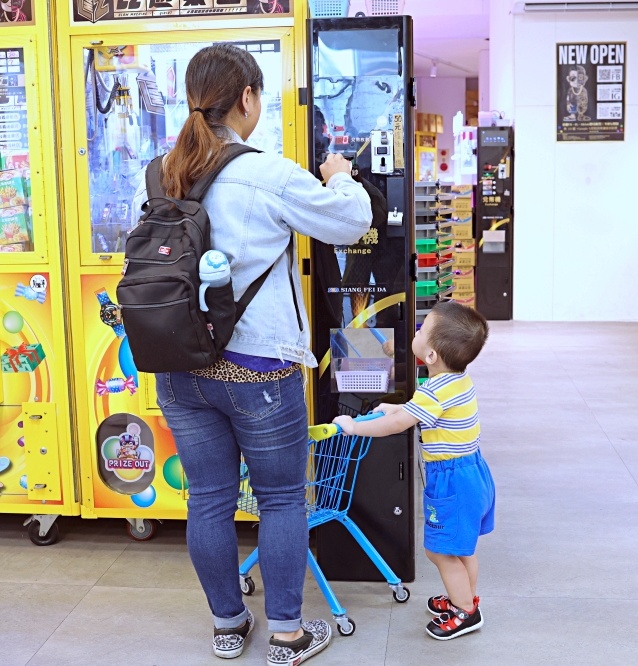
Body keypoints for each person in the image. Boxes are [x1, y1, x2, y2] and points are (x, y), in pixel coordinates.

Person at [152, 45, 372, 664]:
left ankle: (227, 625)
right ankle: (286, 635)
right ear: (248, 98)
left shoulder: (164, 170)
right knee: (279, 499)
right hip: (259, 369)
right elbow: (351, 223)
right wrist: (339, 177)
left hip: (181, 366)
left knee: (209, 500)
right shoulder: (266, 173)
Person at [334, 300, 494, 641]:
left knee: (437, 549)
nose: (417, 331)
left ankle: (466, 611)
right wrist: (399, 407)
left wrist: (353, 426)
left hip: (451, 480)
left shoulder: (432, 390)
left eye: (423, 329)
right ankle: (463, 597)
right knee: (462, 547)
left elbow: (396, 425)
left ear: (431, 355)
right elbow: (420, 411)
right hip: (472, 473)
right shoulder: (457, 381)